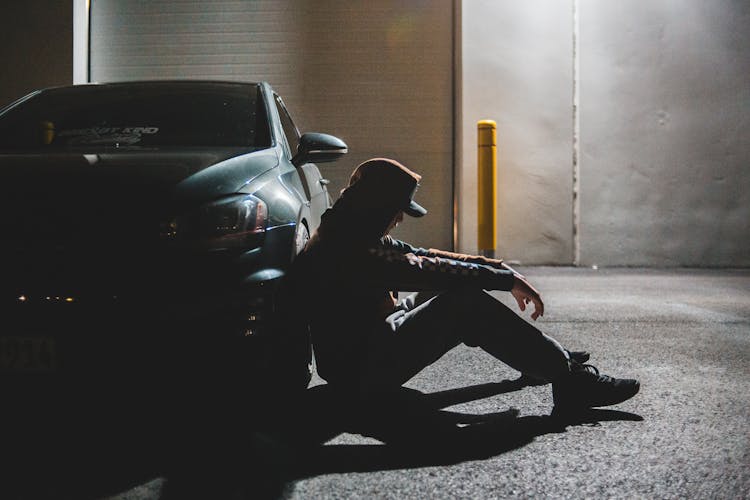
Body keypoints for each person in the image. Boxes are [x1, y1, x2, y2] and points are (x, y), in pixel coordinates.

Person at [282, 157, 639, 416]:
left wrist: (497, 268)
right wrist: (502, 280)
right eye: (397, 208)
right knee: (463, 304)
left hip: (367, 342)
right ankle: (569, 380)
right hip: (360, 370)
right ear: (377, 207)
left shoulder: (347, 229)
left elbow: (421, 255)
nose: (400, 217)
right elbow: (425, 268)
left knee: (445, 291)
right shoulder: (350, 246)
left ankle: (543, 360)